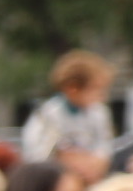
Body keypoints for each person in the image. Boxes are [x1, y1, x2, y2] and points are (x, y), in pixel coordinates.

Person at [20, 50, 117, 182]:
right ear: (73, 88)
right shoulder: (47, 115)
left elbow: (105, 147)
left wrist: (96, 163)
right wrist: (66, 159)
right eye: (95, 88)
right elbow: (37, 156)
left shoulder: (98, 113)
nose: (102, 96)